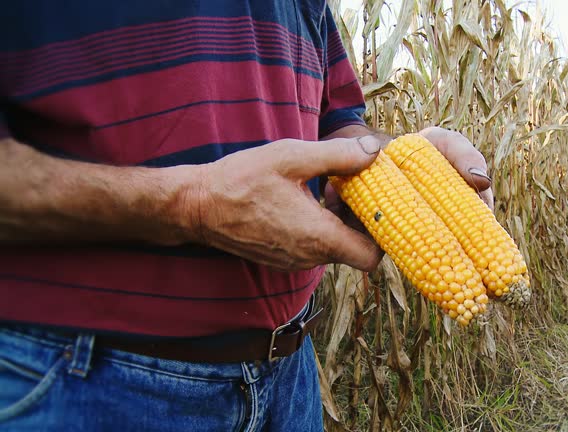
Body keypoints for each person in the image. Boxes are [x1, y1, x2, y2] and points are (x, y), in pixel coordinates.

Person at [0, 1, 493, 431]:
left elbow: (339, 127)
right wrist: (194, 204)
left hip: (290, 373)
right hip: (87, 378)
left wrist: (403, 163)